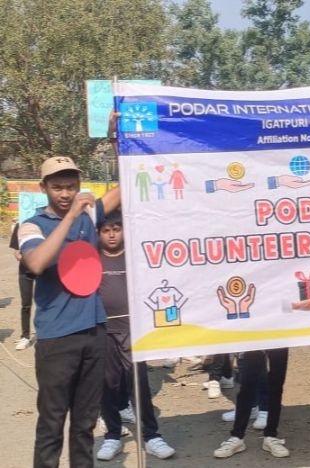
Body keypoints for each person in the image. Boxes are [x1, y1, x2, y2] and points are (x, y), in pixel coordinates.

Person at [18, 156, 120, 468]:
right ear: (43, 188)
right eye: (58, 187)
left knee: (85, 424)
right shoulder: (32, 225)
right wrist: (72, 216)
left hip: (94, 331)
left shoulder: (89, 214)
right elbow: (36, 263)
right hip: (57, 337)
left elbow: (124, 188)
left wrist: (122, 142)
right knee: (52, 424)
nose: (65, 194)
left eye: (71, 187)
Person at [95, 212, 175, 461]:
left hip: (133, 331)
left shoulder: (135, 257)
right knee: (107, 385)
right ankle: (112, 436)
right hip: (103, 331)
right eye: (106, 230)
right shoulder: (92, 258)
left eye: (116, 229)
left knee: (138, 383)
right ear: (98, 233)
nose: (111, 234)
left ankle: (152, 436)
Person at [214, 298, 310, 460]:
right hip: (253, 330)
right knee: (247, 386)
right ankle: (237, 437)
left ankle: (271, 436)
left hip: (278, 329)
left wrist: (293, 306)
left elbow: (284, 296)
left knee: (276, 385)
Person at [9, 222, 35, 350]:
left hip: (44, 271)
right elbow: (16, 252)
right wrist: (28, 261)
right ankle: (25, 336)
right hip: (25, 271)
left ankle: (48, 334)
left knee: (46, 303)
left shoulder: (45, 222)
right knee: (26, 304)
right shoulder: (21, 224)